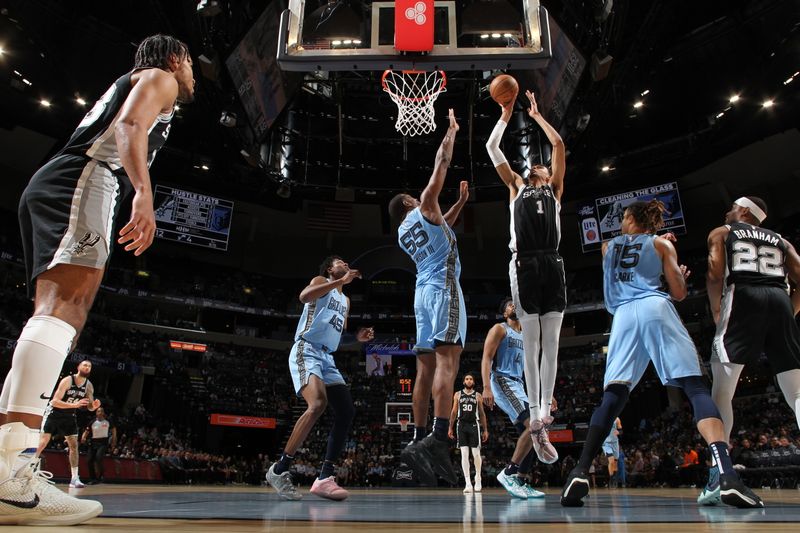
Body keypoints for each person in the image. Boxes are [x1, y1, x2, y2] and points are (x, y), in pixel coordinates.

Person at [0, 34, 195, 525]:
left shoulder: (136, 82)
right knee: (64, 309)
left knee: (53, 316)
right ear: (175, 59)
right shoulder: (162, 77)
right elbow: (130, 124)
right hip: (87, 178)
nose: (192, 74)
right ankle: (11, 473)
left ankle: (8, 463)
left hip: (64, 178)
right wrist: (144, 195)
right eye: (191, 62)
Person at [560, 200, 763, 509]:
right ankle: (726, 475)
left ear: (631, 219)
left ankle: (579, 470)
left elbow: (627, 259)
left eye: (625, 217)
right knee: (694, 387)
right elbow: (679, 292)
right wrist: (675, 268)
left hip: (623, 318)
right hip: (656, 307)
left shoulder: (606, 246)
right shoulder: (660, 244)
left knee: (613, 395)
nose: (622, 222)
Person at [700, 196, 800, 505]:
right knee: (796, 391)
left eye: (732, 205)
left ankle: (719, 474)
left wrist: (717, 309)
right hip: (779, 298)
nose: (727, 209)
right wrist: (790, 309)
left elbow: (715, 272)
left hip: (742, 296)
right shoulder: (781, 240)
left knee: (722, 392)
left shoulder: (723, 231)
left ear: (744, 212)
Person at [485, 89, 566, 464]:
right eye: (534, 165)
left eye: (542, 165)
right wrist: (505, 113)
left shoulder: (555, 190)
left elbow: (559, 143)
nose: (538, 166)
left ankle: (543, 413)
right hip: (524, 263)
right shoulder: (516, 187)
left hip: (553, 263)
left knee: (552, 342)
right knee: (531, 343)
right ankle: (534, 416)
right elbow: (491, 147)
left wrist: (535, 116)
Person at [388, 109, 467, 486]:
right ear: (408, 202)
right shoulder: (422, 204)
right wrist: (449, 132)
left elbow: (441, 223)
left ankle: (418, 440)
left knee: (424, 369)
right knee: (447, 363)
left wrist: (461, 204)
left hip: (420, 294)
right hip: (443, 289)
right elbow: (441, 163)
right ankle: (437, 439)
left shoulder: (404, 232)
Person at [266, 256, 374, 501]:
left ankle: (324, 478)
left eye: (347, 263)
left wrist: (358, 337)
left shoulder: (345, 301)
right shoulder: (321, 281)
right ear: (329, 269)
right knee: (317, 404)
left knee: (347, 411)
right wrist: (339, 282)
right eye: (340, 262)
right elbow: (304, 297)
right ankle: (279, 469)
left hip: (327, 357)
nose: (345, 264)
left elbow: (339, 336)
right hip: (307, 349)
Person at [481, 298, 544, 499]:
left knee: (536, 435)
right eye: (509, 304)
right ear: (505, 313)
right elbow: (486, 358)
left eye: (515, 303)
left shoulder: (526, 335)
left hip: (519, 384)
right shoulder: (499, 329)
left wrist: (543, 394)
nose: (513, 305)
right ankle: (508, 472)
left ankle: (520, 480)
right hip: (502, 380)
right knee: (533, 425)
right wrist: (486, 387)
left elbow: (531, 368)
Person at [35, 360, 101, 488]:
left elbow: (90, 407)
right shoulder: (67, 380)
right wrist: (74, 405)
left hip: (69, 416)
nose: (87, 367)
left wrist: (94, 406)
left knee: (74, 446)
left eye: (89, 366)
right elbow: (54, 402)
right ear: (78, 367)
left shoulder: (89, 386)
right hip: (54, 413)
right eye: (85, 365)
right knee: (43, 442)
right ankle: (28, 468)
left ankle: (74, 478)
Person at [448, 374, 488, 493]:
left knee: (476, 454)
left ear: (473, 382)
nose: (469, 380)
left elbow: (482, 413)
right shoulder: (458, 394)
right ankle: (468, 483)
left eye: (471, 379)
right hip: (461, 425)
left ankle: (478, 477)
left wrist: (485, 429)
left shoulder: (478, 395)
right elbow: (454, 411)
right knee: (464, 454)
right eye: (467, 379)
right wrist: (450, 427)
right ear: (464, 381)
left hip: (474, 425)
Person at [81, 407, 117, 484]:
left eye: (101, 411)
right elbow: (87, 431)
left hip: (103, 442)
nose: (100, 413)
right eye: (98, 411)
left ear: (103, 413)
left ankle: (101, 476)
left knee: (98, 457)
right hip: (93, 442)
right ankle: (93, 478)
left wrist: (114, 439)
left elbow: (113, 430)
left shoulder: (108, 421)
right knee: (89, 460)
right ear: (96, 413)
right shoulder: (92, 422)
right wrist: (83, 437)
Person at [602, 417, 622, 488]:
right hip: (606, 442)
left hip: (615, 442)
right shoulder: (604, 418)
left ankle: (614, 478)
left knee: (615, 463)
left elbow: (621, 431)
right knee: (611, 460)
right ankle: (611, 479)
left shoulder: (617, 419)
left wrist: (618, 432)